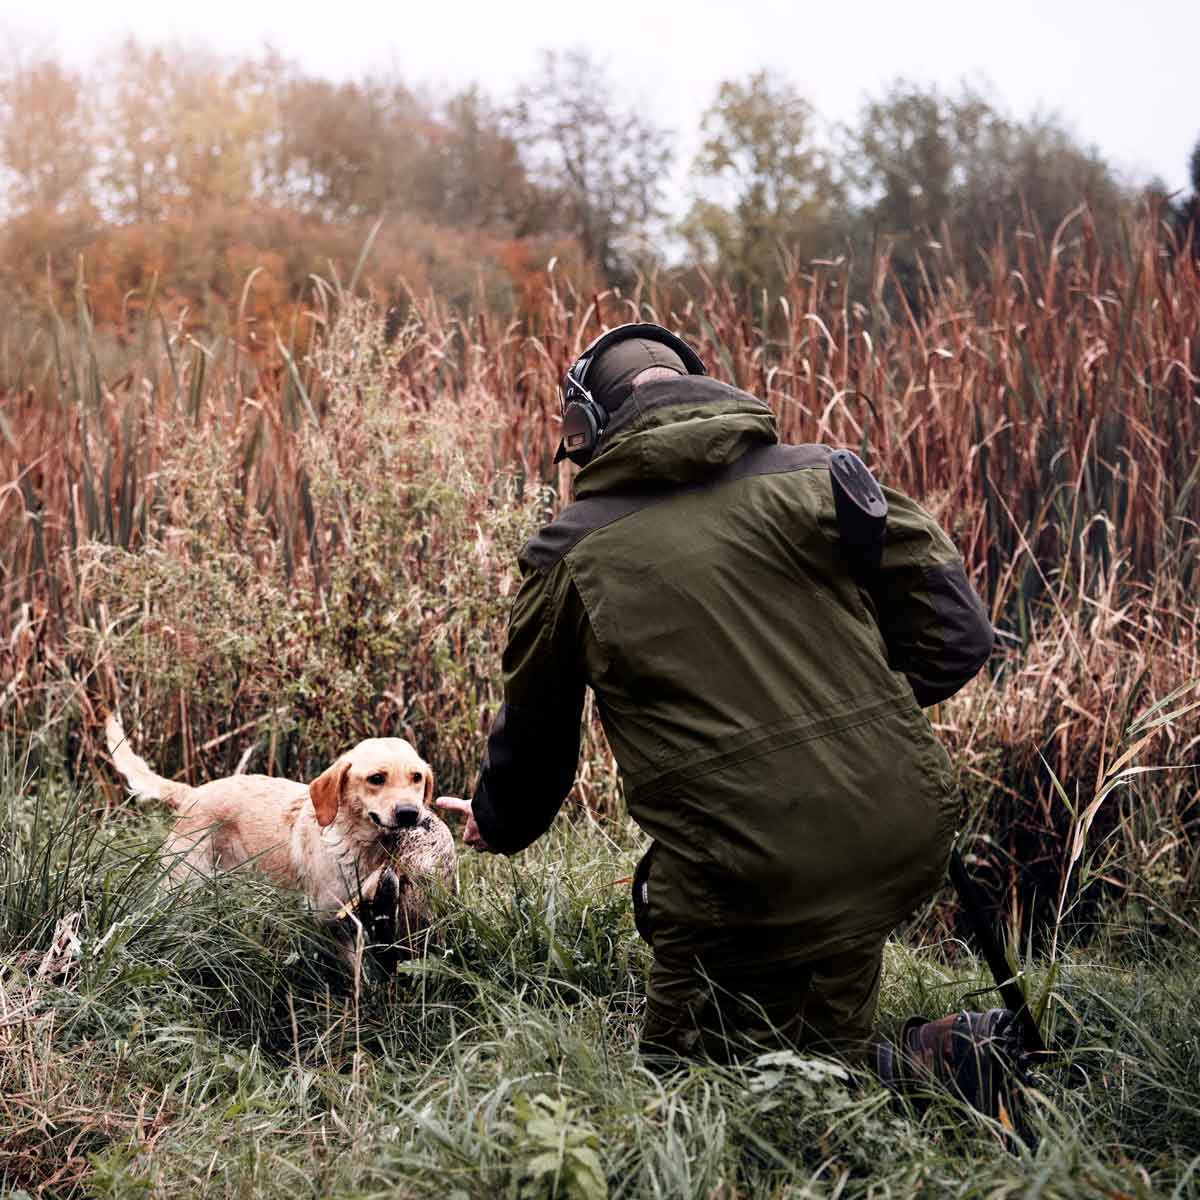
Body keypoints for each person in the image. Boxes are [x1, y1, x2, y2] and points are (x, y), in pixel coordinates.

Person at [437, 323, 994, 1068]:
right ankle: (947, 1066)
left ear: (585, 429)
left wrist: (498, 823)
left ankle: (942, 1064)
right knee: (818, 1052)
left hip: (742, 871)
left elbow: (538, 740)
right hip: (900, 825)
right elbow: (959, 637)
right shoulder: (825, 475)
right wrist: (855, 717)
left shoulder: (569, 553)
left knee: (696, 1095)